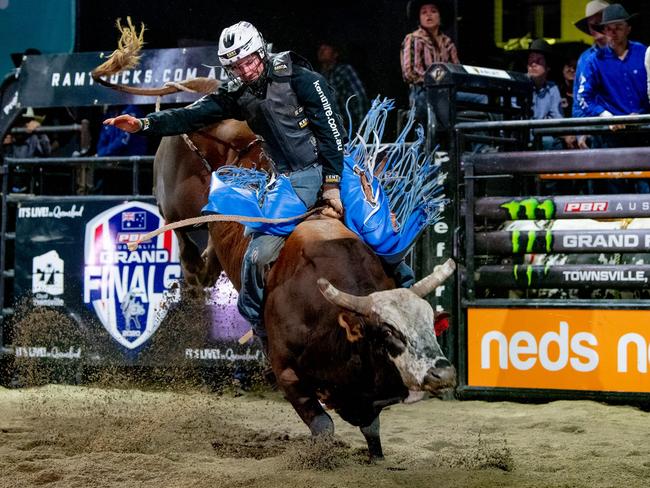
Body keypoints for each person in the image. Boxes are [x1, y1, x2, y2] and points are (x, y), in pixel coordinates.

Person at [104, 21, 415, 343]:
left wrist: (333, 183)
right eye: (237, 66)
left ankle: (409, 299)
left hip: (332, 165)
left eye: (249, 60)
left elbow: (331, 131)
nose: (246, 69)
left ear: (261, 51)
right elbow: (190, 115)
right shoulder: (237, 93)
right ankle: (262, 325)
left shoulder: (301, 78)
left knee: (381, 235)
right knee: (257, 255)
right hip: (291, 178)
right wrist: (143, 124)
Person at [575, 4, 648, 193]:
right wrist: (606, 116)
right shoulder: (594, 60)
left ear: (628, 29)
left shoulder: (644, 53)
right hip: (612, 134)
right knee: (615, 189)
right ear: (604, 31)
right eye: (608, 28)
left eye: (618, 27)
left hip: (644, 131)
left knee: (645, 187)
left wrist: (641, 115)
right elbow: (583, 97)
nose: (613, 32)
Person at [400, 0, 458, 126]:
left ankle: (483, 146)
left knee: (481, 99)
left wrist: (446, 84)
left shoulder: (448, 43)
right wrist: (437, 81)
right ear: (419, 18)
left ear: (440, 16)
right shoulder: (414, 39)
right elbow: (410, 73)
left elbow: (456, 71)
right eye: (424, 12)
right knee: (437, 104)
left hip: (448, 92)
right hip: (423, 92)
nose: (428, 15)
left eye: (433, 11)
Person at [317, 41, 369, 131]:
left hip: (349, 128)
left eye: (326, 48)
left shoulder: (344, 71)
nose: (322, 50)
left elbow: (359, 98)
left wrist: (362, 128)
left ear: (335, 54)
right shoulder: (319, 76)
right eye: (320, 48)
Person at [2, 108, 51, 193]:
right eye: (20, 120)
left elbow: (47, 152)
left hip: (29, 187)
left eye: (28, 121)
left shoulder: (34, 138)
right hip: (6, 188)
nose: (24, 124)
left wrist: (40, 131)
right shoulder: (6, 137)